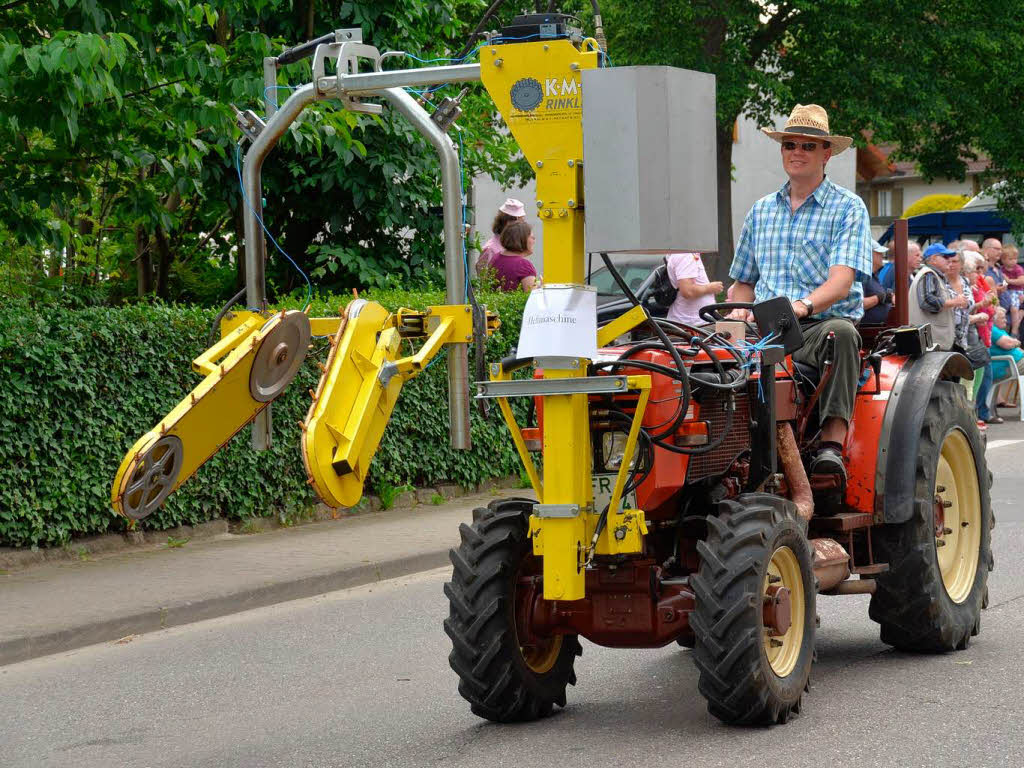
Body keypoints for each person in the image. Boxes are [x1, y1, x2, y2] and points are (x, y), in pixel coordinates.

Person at [729, 103, 869, 484]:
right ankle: (727, 456)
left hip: (816, 328)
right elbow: (743, 280)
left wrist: (802, 306)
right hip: (765, 330)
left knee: (840, 334)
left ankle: (830, 446)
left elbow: (841, 282)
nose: (797, 152)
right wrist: (737, 311)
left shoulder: (848, 208)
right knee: (708, 361)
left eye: (808, 146)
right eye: (790, 143)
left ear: (827, 154)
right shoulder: (761, 211)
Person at [908, 243, 966, 350]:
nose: (949, 260)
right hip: (931, 343)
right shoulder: (928, 274)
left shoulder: (931, 275)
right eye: (945, 257)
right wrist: (955, 302)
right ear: (934, 259)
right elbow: (927, 301)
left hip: (932, 342)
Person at [665, 252, 723, 325]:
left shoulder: (685, 254)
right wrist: (710, 288)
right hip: (692, 325)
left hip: (694, 322)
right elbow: (688, 291)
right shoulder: (685, 255)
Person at [990, 307, 1024, 414]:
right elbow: (1008, 344)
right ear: (994, 319)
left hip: (1015, 363)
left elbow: (1013, 344)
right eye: (1002, 318)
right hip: (1007, 366)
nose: (1006, 320)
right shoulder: (993, 329)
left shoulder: (999, 330)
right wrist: (1014, 342)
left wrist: (1014, 343)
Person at [491, 219, 539, 292]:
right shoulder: (523, 265)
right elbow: (532, 297)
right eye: (532, 237)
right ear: (522, 239)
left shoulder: (495, 258)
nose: (534, 240)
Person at [477, 198, 525, 271]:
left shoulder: (513, 246)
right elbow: (483, 278)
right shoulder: (490, 249)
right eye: (521, 222)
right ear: (509, 223)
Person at [862, 240, 895, 324]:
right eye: (879, 253)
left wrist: (885, 297)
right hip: (868, 332)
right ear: (869, 255)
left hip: (878, 329)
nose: (882, 256)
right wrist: (879, 298)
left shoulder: (873, 276)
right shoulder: (862, 277)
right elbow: (856, 304)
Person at [998, 244, 1024, 337]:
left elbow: (1022, 280)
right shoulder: (1001, 269)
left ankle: (1014, 330)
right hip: (1008, 291)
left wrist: (1009, 280)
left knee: (1014, 309)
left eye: (1015, 258)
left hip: (1017, 291)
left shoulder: (1018, 269)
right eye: (1011, 259)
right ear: (1003, 259)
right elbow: (1002, 282)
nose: (1014, 261)